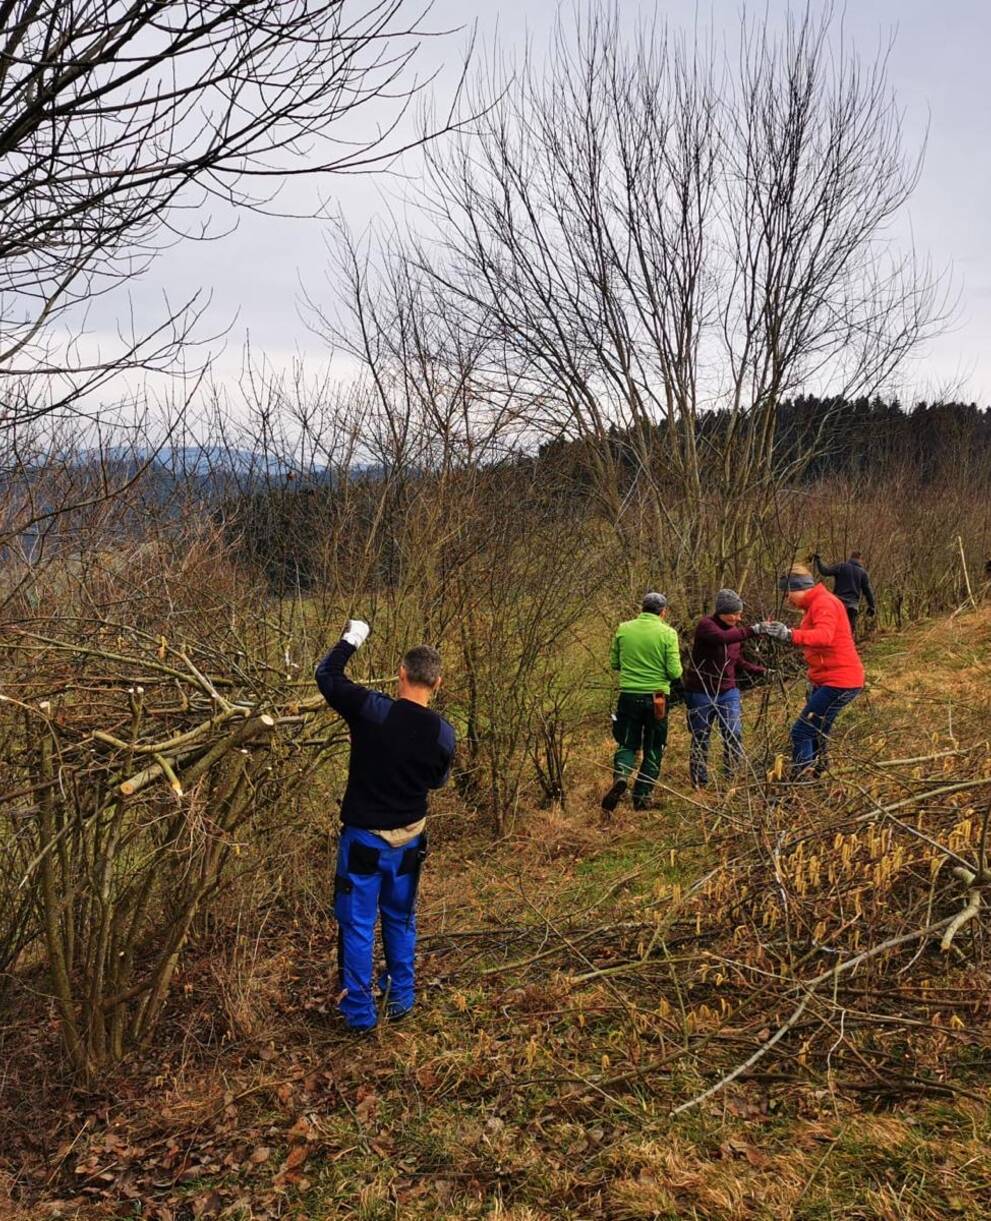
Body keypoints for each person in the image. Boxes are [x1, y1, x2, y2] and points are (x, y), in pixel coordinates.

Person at [315, 620, 455, 1032]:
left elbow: (327, 676)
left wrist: (353, 637)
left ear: (402, 673)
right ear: (438, 682)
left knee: (358, 924)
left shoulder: (373, 710)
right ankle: (401, 996)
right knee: (400, 918)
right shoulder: (444, 734)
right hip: (410, 840)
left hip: (364, 840)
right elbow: (437, 781)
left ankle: (359, 1013)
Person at [757, 566, 865, 777]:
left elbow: (824, 636)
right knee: (818, 730)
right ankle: (819, 773)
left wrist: (789, 634)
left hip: (840, 680)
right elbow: (812, 636)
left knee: (802, 731)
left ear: (799, 587)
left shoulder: (823, 603)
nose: (787, 598)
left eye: (787, 592)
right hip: (829, 679)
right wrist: (785, 632)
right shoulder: (817, 604)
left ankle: (801, 782)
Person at [601, 591, 683, 814]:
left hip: (628, 695)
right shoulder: (668, 633)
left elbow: (615, 663)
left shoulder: (623, 629)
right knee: (655, 745)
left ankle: (621, 776)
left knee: (627, 743)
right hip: (657, 698)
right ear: (663, 612)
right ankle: (642, 796)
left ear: (642, 608)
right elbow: (675, 671)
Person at [683, 589, 766, 789]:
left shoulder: (735, 634)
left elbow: (736, 660)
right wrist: (754, 630)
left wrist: (762, 671)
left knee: (733, 733)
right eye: (734, 613)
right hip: (701, 691)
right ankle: (699, 782)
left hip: (728, 692)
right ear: (722, 611)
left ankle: (732, 777)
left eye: (740, 614)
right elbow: (722, 638)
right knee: (701, 736)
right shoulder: (706, 626)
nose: (738, 618)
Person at [812, 550, 876, 635]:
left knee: (835, 629)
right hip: (852, 606)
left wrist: (818, 560)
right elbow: (867, 591)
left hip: (838, 603)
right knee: (848, 631)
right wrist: (871, 606)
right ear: (860, 559)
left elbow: (825, 571)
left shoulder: (841, 567)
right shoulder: (862, 573)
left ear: (851, 557)